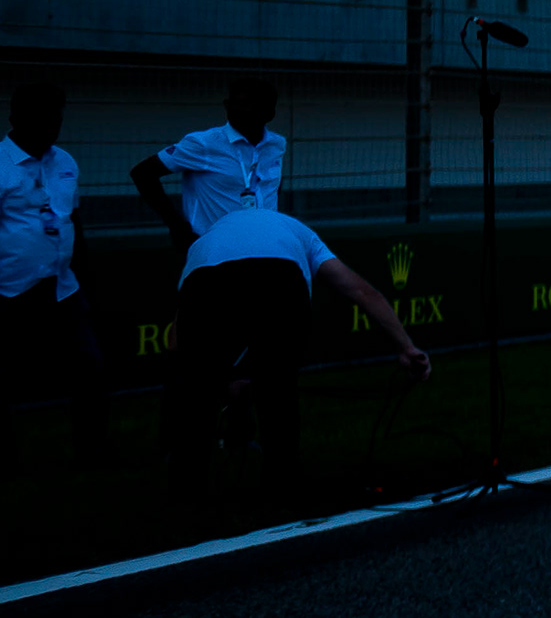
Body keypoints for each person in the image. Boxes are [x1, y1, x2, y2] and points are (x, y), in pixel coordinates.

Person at [163, 205, 428, 480]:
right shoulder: (298, 232)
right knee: (277, 387)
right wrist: (407, 347)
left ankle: (186, 481)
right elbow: (362, 291)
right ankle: (282, 478)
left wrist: (192, 380)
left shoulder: (206, 243)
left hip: (205, 280)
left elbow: (179, 340)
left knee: (198, 389)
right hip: (280, 275)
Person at [0, 83, 103, 466]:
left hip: (63, 287)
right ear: (15, 119)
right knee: (3, 375)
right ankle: (3, 457)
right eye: (40, 120)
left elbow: (73, 219)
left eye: (55, 119)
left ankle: (91, 451)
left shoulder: (65, 162)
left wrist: (85, 278)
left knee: (88, 365)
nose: (50, 128)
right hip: (9, 289)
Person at [133, 78, 282, 244]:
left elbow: (271, 184)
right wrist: (176, 225)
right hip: (214, 248)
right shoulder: (203, 143)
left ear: (269, 112)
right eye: (233, 103)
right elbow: (142, 173)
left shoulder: (275, 145)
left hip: (264, 243)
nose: (236, 109)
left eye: (248, 104)